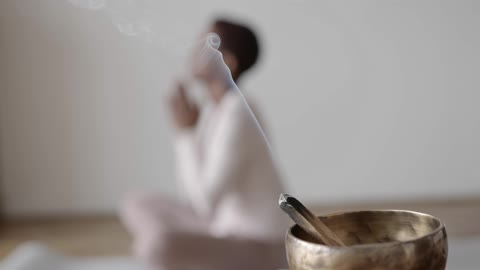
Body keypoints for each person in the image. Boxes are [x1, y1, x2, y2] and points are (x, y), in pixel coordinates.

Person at [120, 18, 288, 270]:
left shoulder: (239, 114)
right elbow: (189, 195)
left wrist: (184, 135)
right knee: (135, 202)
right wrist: (189, 133)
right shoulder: (213, 109)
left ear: (228, 62)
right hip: (221, 227)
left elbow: (204, 203)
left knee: (160, 245)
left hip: (261, 248)